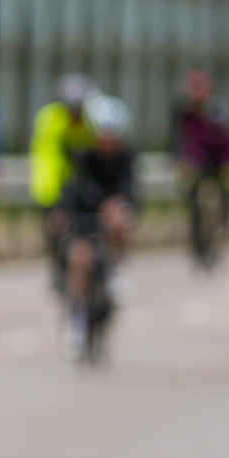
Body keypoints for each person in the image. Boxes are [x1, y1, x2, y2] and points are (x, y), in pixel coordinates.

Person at [54, 94, 137, 355]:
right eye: (103, 135)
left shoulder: (126, 159)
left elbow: (132, 192)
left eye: (113, 136)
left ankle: (117, 269)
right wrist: (62, 214)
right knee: (79, 259)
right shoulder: (83, 158)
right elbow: (70, 190)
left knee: (118, 215)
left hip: (111, 219)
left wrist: (122, 207)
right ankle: (76, 320)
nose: (108, 142)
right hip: (84, 216)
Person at [28, 74, 95, 292]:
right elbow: (54, 156)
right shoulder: (51, 120)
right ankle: (58, 267)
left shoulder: (87, 122)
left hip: (75, 187)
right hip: (52, 186)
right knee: (57, 228)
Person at [170, 68, 229, 266]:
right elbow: (188, 142)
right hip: (200, 164)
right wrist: (186, 162)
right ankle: (196, 241)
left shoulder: (218, 110)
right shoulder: (186, 114)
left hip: (220, 164)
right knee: (194, 199)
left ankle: (223, 230)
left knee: (227, 195)